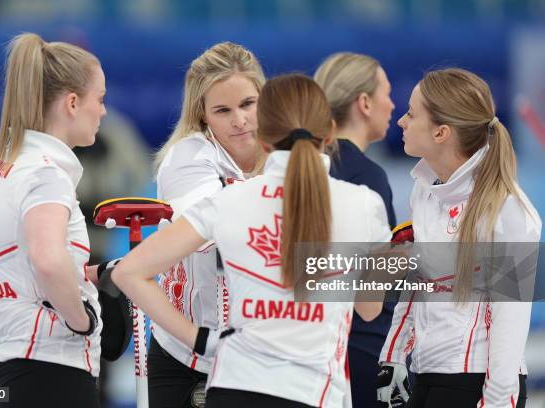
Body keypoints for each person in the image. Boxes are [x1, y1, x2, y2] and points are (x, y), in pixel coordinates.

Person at [112, 73, 393, 407]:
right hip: (314, 391)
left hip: (234, 385)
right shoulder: (365, 203)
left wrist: (199, 340)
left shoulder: (228, 201)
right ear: (330, 133)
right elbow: (370, 307)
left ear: (263, 139)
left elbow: (127, 272)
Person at [377, 68, 542, 408]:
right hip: (425, 375)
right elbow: (418, 282)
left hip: (478, 383)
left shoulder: (506, 208)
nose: (401, 122)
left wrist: (497, 401)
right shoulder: (424, 193)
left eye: (411, 113)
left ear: (441, 132)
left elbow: (511, 318)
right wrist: (392, 356)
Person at [0, 33, 107, 407]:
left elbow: (25, 267)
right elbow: (46, 260)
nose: (103, 111)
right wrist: (82, 320)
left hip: (13, 366)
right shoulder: (45, 173)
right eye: (100, 99)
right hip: (51, 371)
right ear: (72, 102)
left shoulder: (3, 168)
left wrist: (94, 275)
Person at [148, 42, 266, 407]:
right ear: (202, 116)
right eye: (223, 110)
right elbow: (205, 234)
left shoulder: (289, 154)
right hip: (187, 357)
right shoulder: (186, 159)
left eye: (248, 104)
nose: (240, 120)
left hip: (263, 357)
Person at [314, 52, 398, 408]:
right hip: (360, 352)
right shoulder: (367, 177)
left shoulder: (303, 167)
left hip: (309, 353)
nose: (393, 106)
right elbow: (371, 300)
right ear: (364, 102)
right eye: (387, 93)